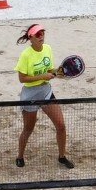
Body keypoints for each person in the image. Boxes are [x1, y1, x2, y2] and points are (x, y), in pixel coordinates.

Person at [13, 24, 72, 169]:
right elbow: (22, 79)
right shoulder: (26, 55)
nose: (41, 36)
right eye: (38, 34)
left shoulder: (48, 49)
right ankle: (20, 156)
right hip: (30, 94)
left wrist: (58, 73)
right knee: (28, 129)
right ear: (30, 38)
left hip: (46, 91)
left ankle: (62, 157)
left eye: (42, 33)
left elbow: (50, 69)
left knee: (61, 125)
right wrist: (42, 76)